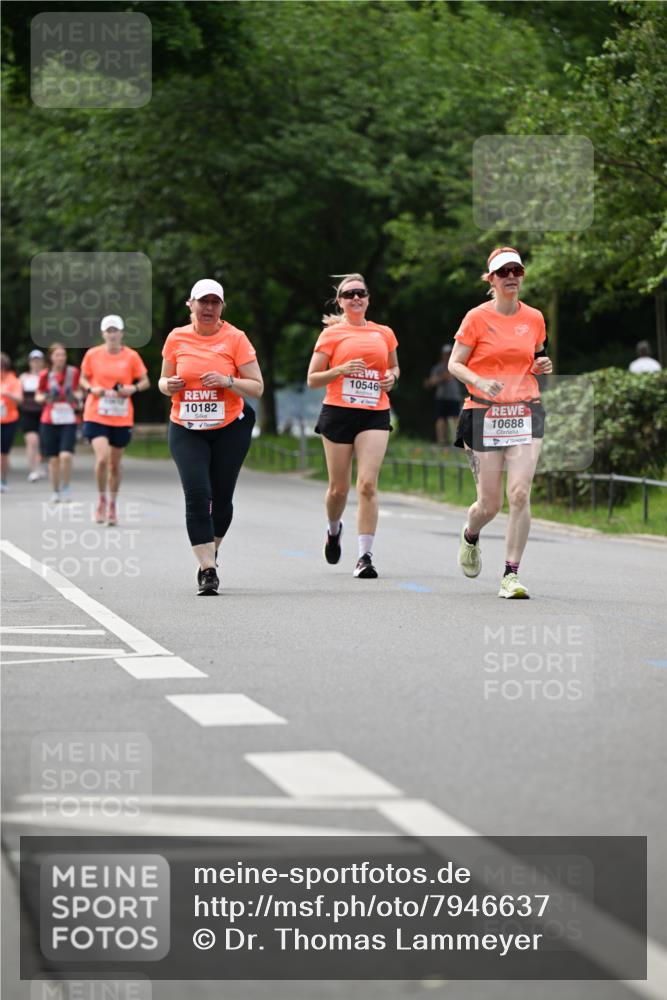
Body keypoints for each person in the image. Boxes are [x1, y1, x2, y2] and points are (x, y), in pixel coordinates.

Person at [448, 247, 552, 599]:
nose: (511, 276)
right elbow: (455, 364)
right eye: (503, 272)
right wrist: (478, 380)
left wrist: (542, 365)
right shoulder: (476, 318)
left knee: (520, 493)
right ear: (490, 279)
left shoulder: (534, 318)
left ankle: (511, 574)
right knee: (489, 504)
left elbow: (536, 357)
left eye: (516, 271)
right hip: (483, 413)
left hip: (525, 411)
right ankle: (471, 534)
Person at [159, 279, 264, 596]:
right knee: (197, 494)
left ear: (221, 306)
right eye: (202, 302)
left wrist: (227, 380)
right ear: (190, 304)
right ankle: (208, 570)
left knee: (221, 498)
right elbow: (163, 380)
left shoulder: (235, 338)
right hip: (186, 427)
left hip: (230, 427)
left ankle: (211, 549)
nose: (208, 308)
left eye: (214, 302)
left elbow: (257, 386)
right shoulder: (176, 337)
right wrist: (168, 386)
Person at [307, 273, 400, 578]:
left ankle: (364, 556)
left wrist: (392, 377)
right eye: (349, 294)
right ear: (340, 302)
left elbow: (394, 366)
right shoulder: (331, 335)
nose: (356, 298)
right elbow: (312, 379)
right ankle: (334, 530)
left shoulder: (384, 333)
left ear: (368, 299)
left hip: (374, 412)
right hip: (338, 412)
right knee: (338, 490)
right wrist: (341, 370)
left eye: (361, 293)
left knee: (368, 484)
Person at [79, 315, 150, 526]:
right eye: (108, 331)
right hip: (96, 413)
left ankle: (112, 505)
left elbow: (145, 381)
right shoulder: (92, 354)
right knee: (102, 459)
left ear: (121, 333)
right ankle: (101, 500)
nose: (112, 334)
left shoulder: (132, 356)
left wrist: (133, 388)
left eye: (115, 330)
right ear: (103, 334)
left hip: (121, 416)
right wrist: (92, 389)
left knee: (115, 465)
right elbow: (83, 379)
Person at [35, 343, 83, 503]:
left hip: (68, 419)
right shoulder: (45, 374)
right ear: (51, 357)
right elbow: (38, 395)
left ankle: (66, 487)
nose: (61, 358)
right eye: (57, 355)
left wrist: (76, 395)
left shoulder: (73, 372)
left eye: (63, 355)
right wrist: (45, 397)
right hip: (49, 420)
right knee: (54, 459)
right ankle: (55, 491)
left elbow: (79, 390)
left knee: (66, 456)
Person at [424, 343, 461, 446]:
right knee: (441, 418)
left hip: (454, 397)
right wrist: (442, 377)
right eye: (446, 354)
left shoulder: (457, 366)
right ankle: (441, 441)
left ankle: (458, 441)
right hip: (441, 397)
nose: (448, 356)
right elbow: (431, 382)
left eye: (450, 354)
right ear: (443, 355)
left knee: (456, 419)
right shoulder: (438, 368)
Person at [19, 349, 47, 482]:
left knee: (43, 442)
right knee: (32, 441)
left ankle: (41, 465)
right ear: (30, 362)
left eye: (38, 360)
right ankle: (33, 470)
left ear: (43, 362)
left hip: (44, 413)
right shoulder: (24, 377)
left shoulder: (47, 376)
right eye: (33, 361)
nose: (36, 363)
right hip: (28, 413)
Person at [1, 353, 23, 492]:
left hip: (9, 420)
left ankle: (3, 480)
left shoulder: (13, 380)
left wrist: (8, 394)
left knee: (3, 453)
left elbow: (19, 399)